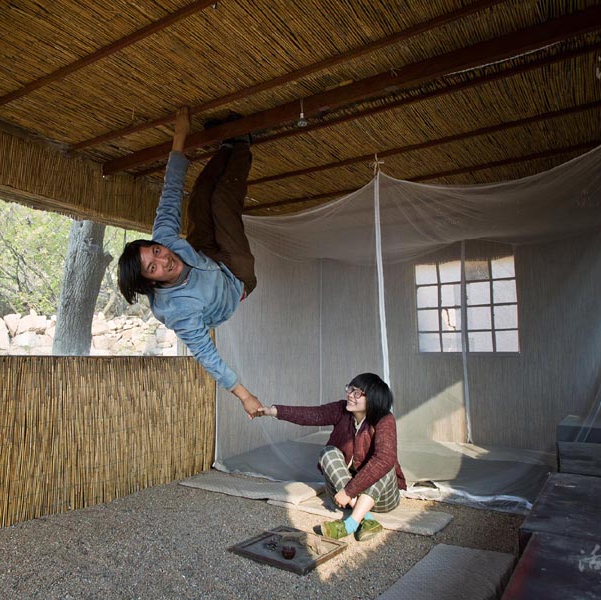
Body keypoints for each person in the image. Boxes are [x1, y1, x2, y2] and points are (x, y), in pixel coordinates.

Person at [118, 107, 263, 418]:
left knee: (199, 200)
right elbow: (207, 355)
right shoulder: (176, 310)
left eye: (155, 252)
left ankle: (225, 146)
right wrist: (244, 395)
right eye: (153, 267)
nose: (164, 259)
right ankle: (242, 143)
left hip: (206, 257)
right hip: (235, 279)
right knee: (222, 204)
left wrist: (180, 135)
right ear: (152, 282)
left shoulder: (166, 240)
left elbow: (170, 192)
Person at [256, 373, 406, 541]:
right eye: (350, 388)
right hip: (346, 498)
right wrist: (272, 411)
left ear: (373, 399)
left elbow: (384, 459)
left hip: (381, 499)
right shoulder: (341, 410)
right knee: (328, 452)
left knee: (385, 461)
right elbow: (312, 414)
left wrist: (349, 491)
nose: (350, 394)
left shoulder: (385, 419)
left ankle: (349, 525)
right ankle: (366, 519)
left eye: (357, 393)